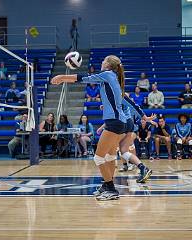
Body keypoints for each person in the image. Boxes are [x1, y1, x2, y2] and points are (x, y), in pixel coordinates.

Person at [52, 55, 153, 201]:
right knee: (110, 156)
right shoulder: (115, 80)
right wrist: (143, 116)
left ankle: (110, 188)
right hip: (121, 123)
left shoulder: (107, 75)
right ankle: (107, 185)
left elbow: (83, 78)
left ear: (108, 65)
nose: (101, 62)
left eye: (103, 60)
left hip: (115, 123)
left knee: (98, 157)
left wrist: (62, 77)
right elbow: (128, 101)